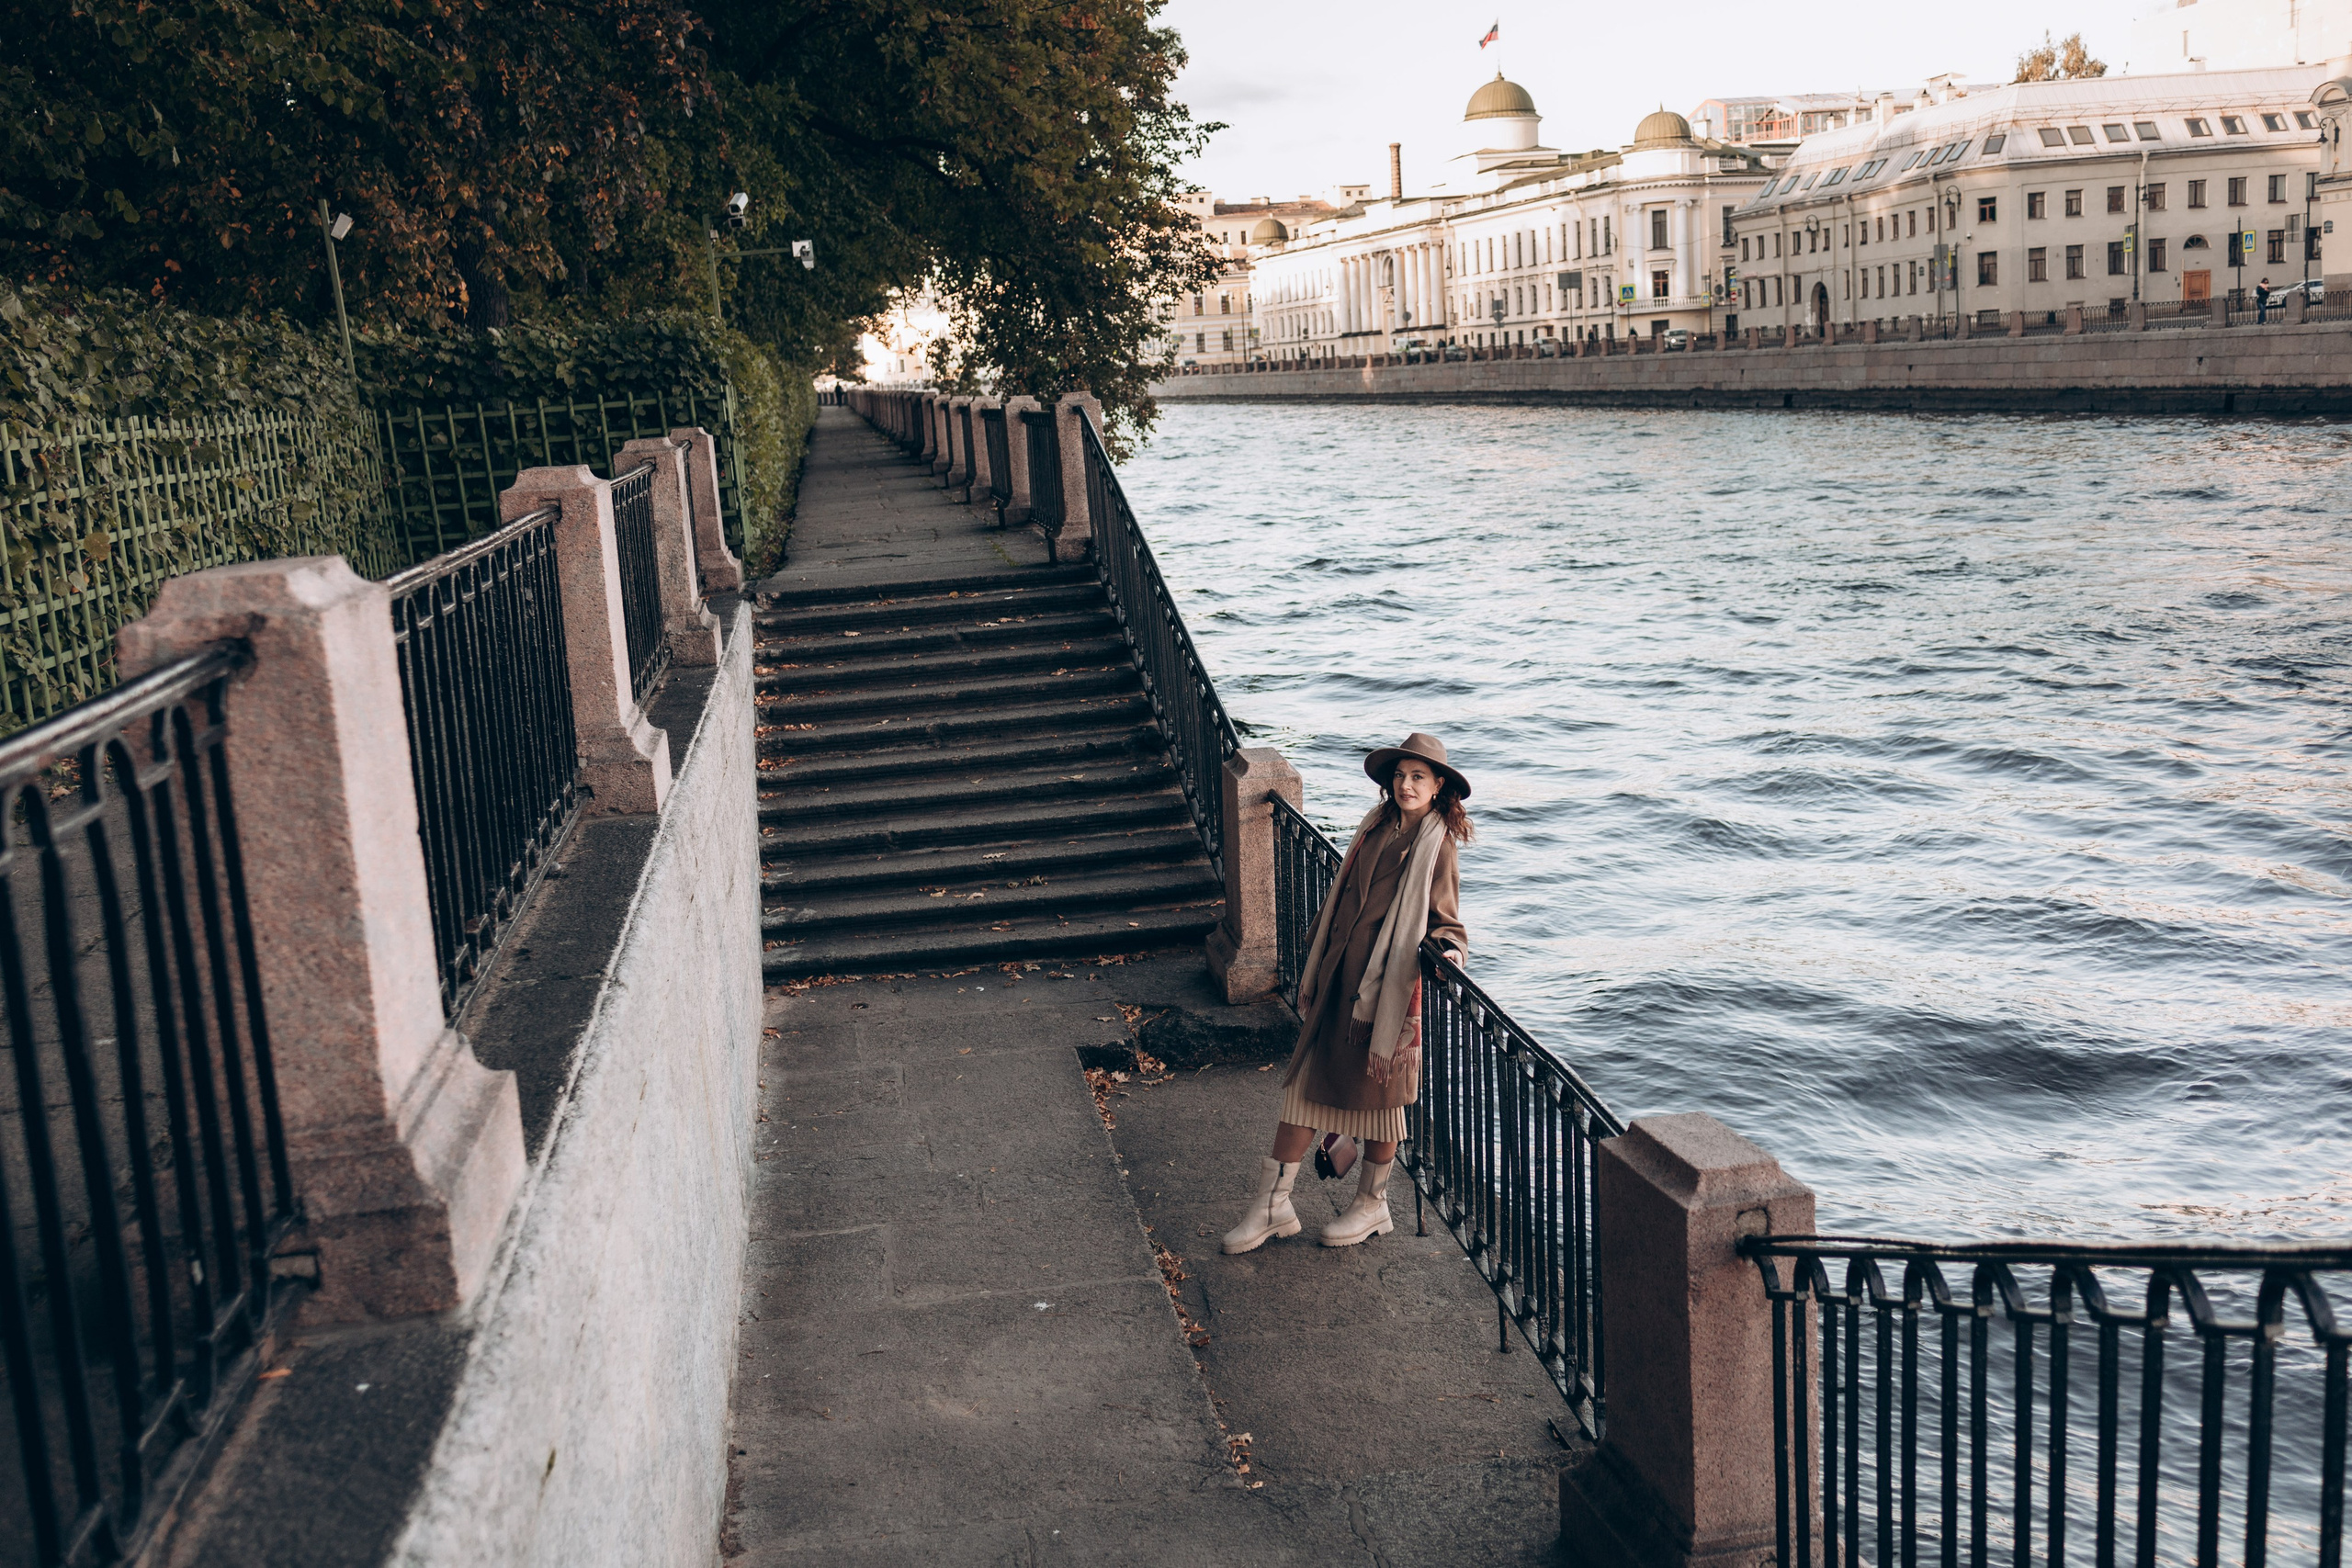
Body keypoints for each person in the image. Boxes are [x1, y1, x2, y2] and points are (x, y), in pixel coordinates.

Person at [1222, 733, 1472, 1254]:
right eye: (1400, 775)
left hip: (1383, 999)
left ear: (1438, 785)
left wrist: (1448, 953)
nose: (1406, 785)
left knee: (1380, 1105)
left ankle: (1371, 1205)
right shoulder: (1376, 826)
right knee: (1303, 1090)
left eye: (1418, 777)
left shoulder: (1437, 843)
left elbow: (1447, 921)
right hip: (1339, 981)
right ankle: (1273, 1206)